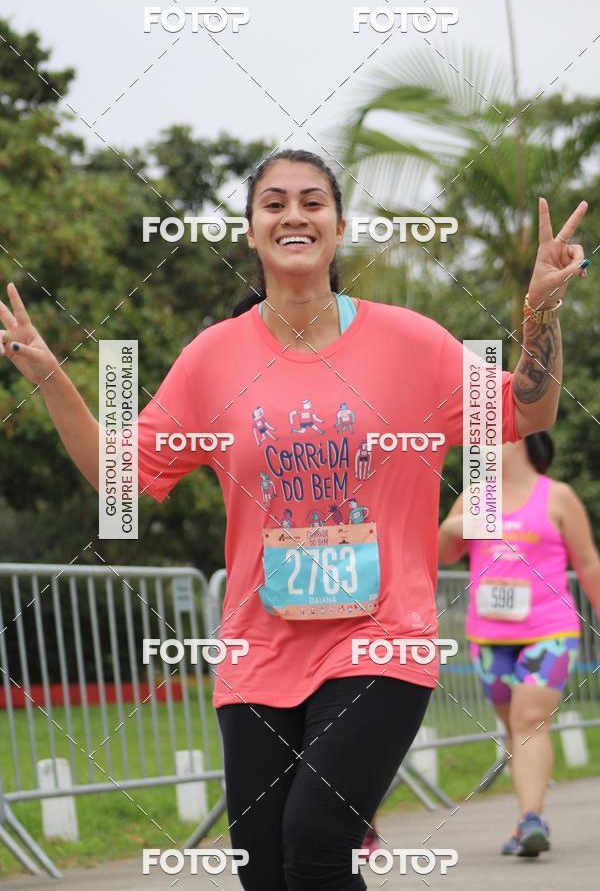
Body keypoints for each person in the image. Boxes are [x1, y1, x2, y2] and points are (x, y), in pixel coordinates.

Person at [0, 148, 589, 889]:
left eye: (313, 201)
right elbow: (121, 474)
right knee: (266, 866)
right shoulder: (212, 356)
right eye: (273, 202)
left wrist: (540, 307)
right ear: (251, 231)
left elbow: (526, 408)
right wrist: (53, 378)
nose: (294, 214)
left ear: (339, 227)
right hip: (258, 648)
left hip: (381, 637)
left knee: (317, 841)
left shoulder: (411, 343)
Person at [438, 432, 600, 858]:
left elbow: (587, 562)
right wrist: (452, 526)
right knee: (515, 728)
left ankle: (532, 819)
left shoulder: (558, 496)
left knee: (530, 720)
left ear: (522, 442)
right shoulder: (474, 497)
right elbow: (444, 554)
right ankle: (526, 819)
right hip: (490, 638)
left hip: (549, 630)